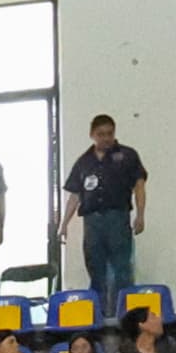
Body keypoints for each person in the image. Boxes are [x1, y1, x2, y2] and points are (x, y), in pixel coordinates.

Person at [65, 113, 149, 319]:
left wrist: (140, 215)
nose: (106, 138)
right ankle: (100, 316)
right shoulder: (84, 162)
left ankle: (125, 316)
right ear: (92, 135)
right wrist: (63, 224)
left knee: (121, 269)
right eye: (101, 134)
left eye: (110, 133)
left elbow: (139, 186)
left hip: (117, 217)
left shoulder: (127, 156)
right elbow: (75, 195)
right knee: (96, 269)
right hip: (92, 221)